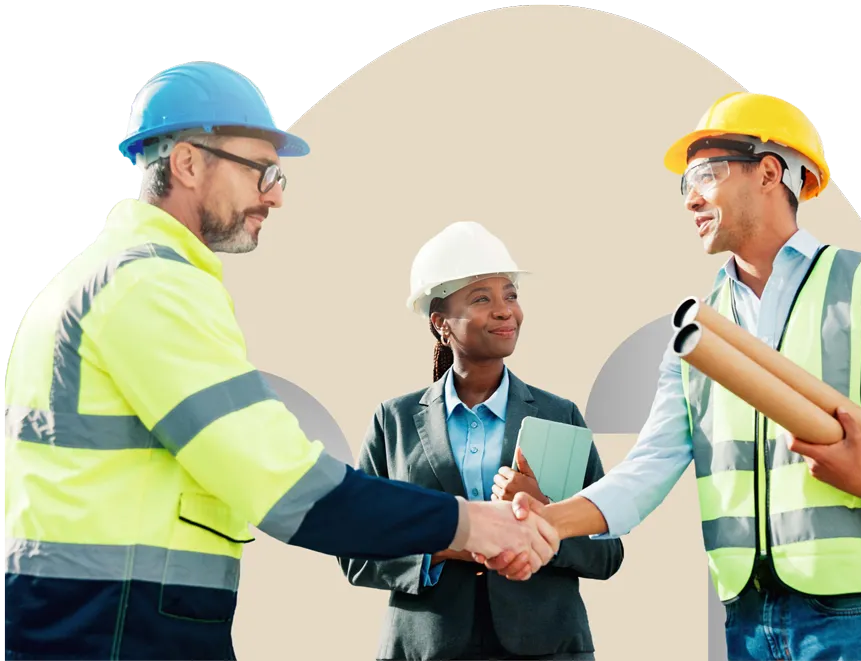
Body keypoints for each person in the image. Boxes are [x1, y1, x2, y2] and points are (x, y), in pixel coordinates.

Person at [2, 61, 559, 661]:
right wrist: (472, 524)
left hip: (80, 614)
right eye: (261, 170)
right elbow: (284, 483)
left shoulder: (85, 276)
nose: (274, 195)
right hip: (119, 625)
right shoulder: (153, 286)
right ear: (189, 163)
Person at [476, 91, 861, 661]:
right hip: (745, 619)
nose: (689, 199)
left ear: (769, 171)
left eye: (704, 174)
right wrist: (547, 521)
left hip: (855, 614)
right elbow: (646, 473)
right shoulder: (698, 333)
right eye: (684, 184)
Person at [338, 221, 625, 661]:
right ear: (440, 323)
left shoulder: (559, 417)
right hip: (426, 648)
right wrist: (453, 544)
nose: (504, 310)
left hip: (547, 648)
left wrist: (546, 516)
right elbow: (355, 552)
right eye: (481, 299)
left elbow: (608, 553)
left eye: (510, 295)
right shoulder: (392, 422)